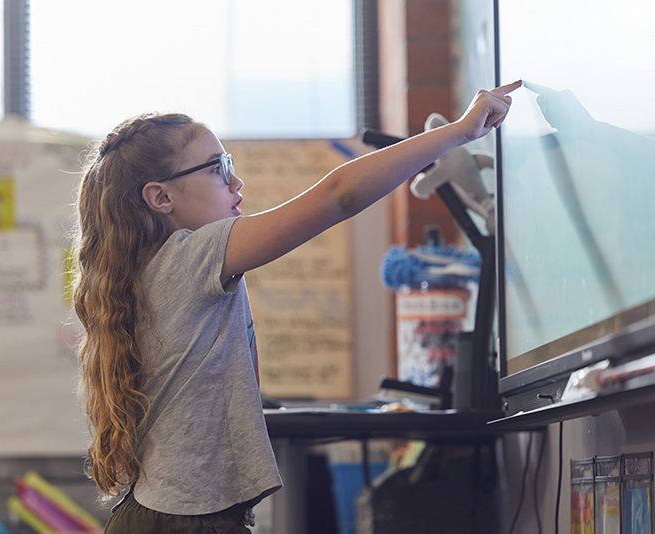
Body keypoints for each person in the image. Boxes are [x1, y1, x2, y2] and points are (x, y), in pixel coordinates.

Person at [70, 80, 521, 533]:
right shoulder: (190, 257)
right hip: (184, 522)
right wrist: (460, 131)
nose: (236, 181)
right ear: (161, 197)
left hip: (168, 515)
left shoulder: (150, 272)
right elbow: (338, 195)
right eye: (218, 167)